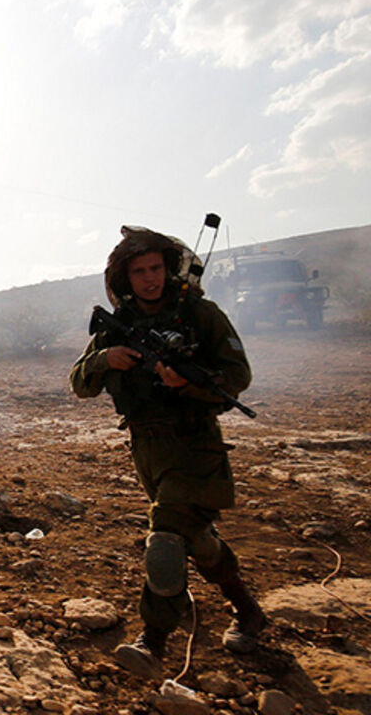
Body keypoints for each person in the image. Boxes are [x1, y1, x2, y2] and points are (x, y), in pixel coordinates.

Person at [70, 226, 265, 680]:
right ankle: (250, 612)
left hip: (194, 443)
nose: (149, 278)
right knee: (195, 541)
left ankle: (153, 641)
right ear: (125, 276)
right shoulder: (120, 323)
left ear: (168, 267)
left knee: (164, 538)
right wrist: (106, 359)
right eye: (139, 271)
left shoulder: (201, 315)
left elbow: (238, 375)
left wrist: (190, 383)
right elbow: (80, 383)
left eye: (156, 267)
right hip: (146, 449)